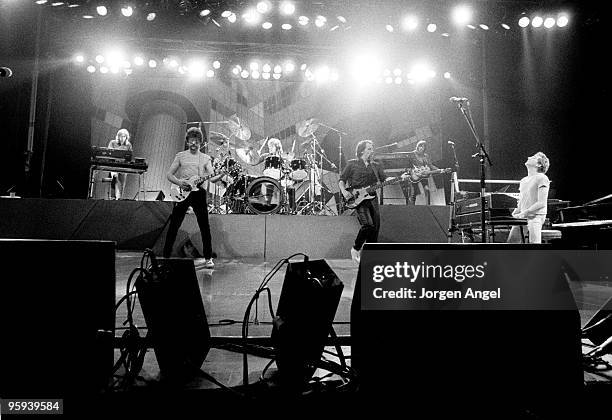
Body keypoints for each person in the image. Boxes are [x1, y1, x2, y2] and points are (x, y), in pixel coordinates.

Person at [163, 127, 222, 267]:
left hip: (199, 193)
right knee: (174, 225)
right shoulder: (180, 155)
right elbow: (169, 174)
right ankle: (165, 256)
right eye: (191, 141)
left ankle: (208, 258)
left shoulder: (206, 158)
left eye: (196, 141)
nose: (194, 143)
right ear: (187, 142)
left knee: (204, 226)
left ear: (201, 143)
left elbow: (212, 177)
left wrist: (221, 175)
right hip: (182, 193)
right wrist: (179, 183)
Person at [339, 140, 396, 263]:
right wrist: (344, 191)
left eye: (372, 148)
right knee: (368, 225)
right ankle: (356, 248)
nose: (372, 151)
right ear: (362, 150)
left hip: (372, 198)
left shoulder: (376, 165)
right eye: (369, 148)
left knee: (375, 228)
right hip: (358, 199)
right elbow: (342, 179)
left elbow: (385, 179)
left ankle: (370, 257)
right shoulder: (352, 164)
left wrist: (398, 178)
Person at [507, 152, 550, 244]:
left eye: (534, 157)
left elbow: (541, 203)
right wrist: (513, 215)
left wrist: (524, 213)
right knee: (511, 242)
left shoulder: (542, 178)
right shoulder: (523, 180)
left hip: (536, 216)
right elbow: (521, 202)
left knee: (534, 244)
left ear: (539, 164)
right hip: (523, 215)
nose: (529, 157)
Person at [406, 140, 440, 205]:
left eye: (423, 147)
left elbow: (430, 165)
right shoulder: (412, 154)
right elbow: (407, 165)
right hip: (414, 176)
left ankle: (428, 207)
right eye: (420, 146)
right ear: (417, 147)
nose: (422, 148)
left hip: (424, 175)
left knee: (427, 190)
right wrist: (412, 171)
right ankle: (411, 209)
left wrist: (438, 169)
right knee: (413, 194)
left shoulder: (426, 156)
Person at [107, 128, 133, 199]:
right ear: (118, 136)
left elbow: (129, 156)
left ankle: (119, 198)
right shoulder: (112, 142)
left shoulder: (128, 145)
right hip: (114, 165)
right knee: (114, 177)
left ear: (126, 137)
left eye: (124, 136)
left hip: (123, 166)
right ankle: (112, 197)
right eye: (121, 136)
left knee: (122, 183)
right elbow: (109, 153)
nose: (122, 138)